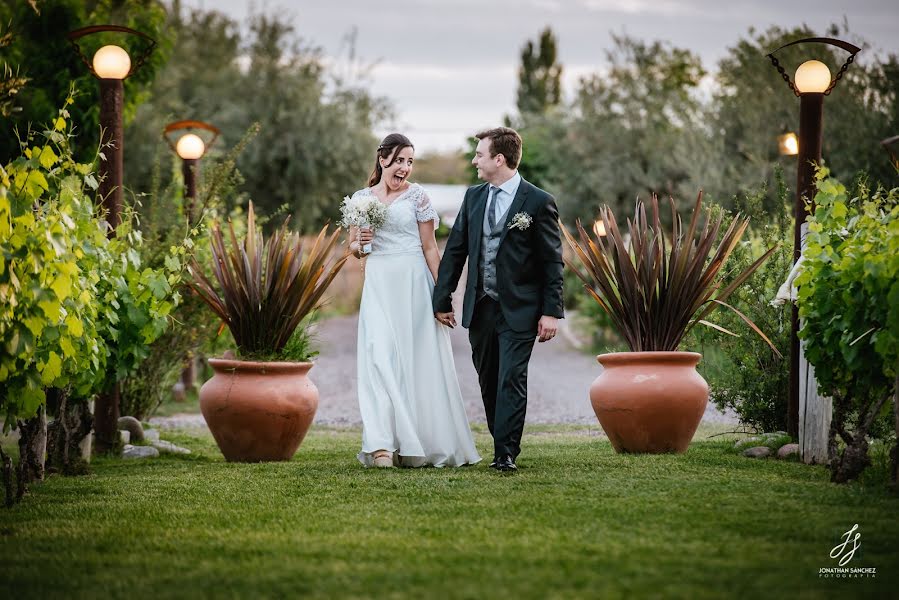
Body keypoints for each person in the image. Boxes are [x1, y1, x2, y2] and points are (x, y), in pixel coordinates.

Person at [432, 127, 564, 472]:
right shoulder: (474, 197)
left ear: (499, 159)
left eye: (479, 154)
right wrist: (442, 298)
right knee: (488, 378)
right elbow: (456, 249)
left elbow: (552, 261)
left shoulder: (537, 201)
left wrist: (551, 312)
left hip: (520, 308)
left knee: (511, 378)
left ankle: (505, 453)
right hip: (481, 306)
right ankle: (500, 438)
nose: (475, 160)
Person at [349, 133, 480, 468]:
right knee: (378, 356)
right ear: (383, 160)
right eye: (400, 160)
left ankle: (413, 442)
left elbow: (430, 249)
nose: (405, 167)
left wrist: (443, 297)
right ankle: (380, 445)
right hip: (379, 283)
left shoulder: (418, 197)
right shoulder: (362, 199)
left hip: (413, 283)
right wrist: (360, 242)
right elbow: (355, 250)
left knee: (415, 360)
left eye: (410, 161)